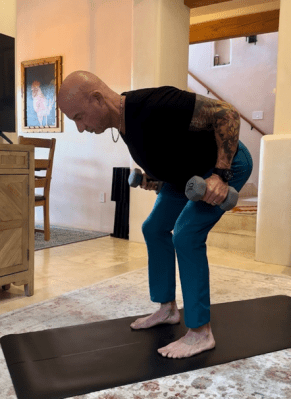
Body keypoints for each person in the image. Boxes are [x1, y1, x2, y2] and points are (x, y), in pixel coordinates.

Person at [58, 70, 253, 359]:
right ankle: (167, 309)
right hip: (184, 177)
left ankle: (201, 332)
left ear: (97, 99)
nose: (80, 127)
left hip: (225, 166)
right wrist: (155, 179)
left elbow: (227, 114)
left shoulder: (157, 103)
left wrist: (221, 176)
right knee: (153, 227)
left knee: (186, 234)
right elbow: (170, 150)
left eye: (78, 117)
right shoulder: (124, 126)